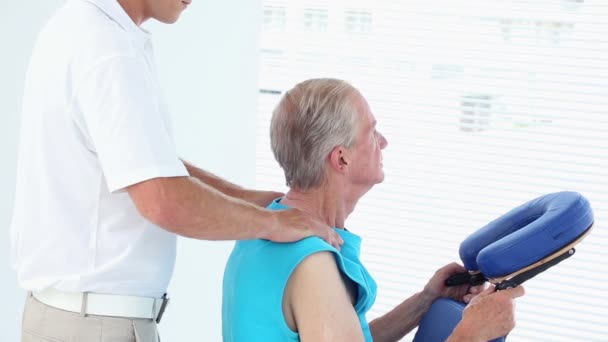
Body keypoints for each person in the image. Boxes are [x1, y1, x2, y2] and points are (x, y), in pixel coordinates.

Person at [10, 1, 342, 341]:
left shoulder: (79, 26)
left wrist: (250, 200)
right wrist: (274, 224)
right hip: (95, 325)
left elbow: (148, 164)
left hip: (73, 317)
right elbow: (162, 200)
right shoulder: (107, 51)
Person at [222, 78, 525, 342]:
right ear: (341, 159)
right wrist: (472, 333)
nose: (384, 142)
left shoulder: (264, 228)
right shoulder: (312, 265)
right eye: (372, 132)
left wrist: (425, 301)